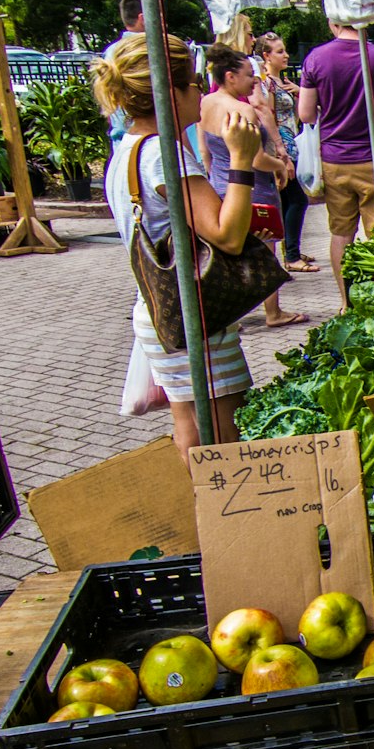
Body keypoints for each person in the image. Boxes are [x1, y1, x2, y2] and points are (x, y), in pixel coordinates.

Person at [94, 32, 261, 453]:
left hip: (161, 312)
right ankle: (224, 516)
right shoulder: (162, 156)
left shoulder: (130, 149)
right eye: (193, 85)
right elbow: (226, 233)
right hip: (192, 317)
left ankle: (206, 512)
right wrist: (242, 158)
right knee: (223, 439)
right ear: (171, 92)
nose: (200, 94)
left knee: (191, 428)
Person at [299, 22, 374, 308]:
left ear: (333, 21)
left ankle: (346, 302)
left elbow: (305, 113)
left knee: (341, 232)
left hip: (334, 161)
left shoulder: (315, 59)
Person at [201, 44, 306, 328]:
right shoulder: (242, 111)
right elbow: (256, 158)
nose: (254, 80)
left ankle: (232, 308)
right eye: (249, 75)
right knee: (265, 249)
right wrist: (281, 165)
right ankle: (273, 311)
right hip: (251, 186)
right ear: (231, 76)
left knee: (230, 250)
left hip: (221, 185)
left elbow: (205, 150)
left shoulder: (206, 103)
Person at [253, 33, 316, 273]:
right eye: (279, 51)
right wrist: (280, 152)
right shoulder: (266, 84)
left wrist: (299, 91)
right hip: (282, 149)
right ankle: (290, 255)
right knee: (297, 200)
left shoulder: (282, 83)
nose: (286, 55)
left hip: (292, 145)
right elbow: (268, 115)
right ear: (266, 56)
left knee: (291, 200)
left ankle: (291, 249)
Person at [104, 0, 147, 145]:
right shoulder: (147, 51)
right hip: (147, 140)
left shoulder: (110, 52)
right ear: (142, 18)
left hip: (121, 143)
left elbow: (106, 103)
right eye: (159, 16)